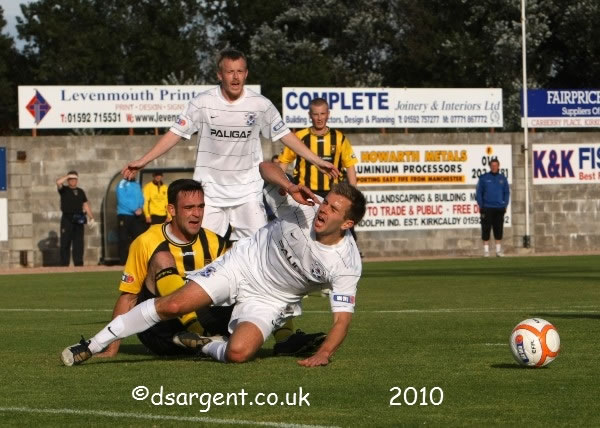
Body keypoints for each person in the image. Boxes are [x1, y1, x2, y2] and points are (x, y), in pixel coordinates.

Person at [61, 162, 366, 367]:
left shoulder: (346, 263)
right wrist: (288, 184)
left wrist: (325, 353)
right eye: (326, 201)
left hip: (270, 300)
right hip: (241, 265)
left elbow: (341, 320)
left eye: (333, 209)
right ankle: (92, 344)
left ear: (347, 223)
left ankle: (204, 344)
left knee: (239, 353)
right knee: (174, 304)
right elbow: (264, 167)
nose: (323, 209)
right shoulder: (303, 207)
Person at [121, 48, 339, 244]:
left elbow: (285, 135)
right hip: (210, 193)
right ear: (219, 75)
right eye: (230, 72)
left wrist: (317, 161)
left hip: (248, 193)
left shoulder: (260, 105)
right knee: (204, 255)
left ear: (246, 74)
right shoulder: (202, 103)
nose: (235, 77)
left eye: (240, 71)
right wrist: (143, 161)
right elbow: (175, 133)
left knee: (256, 253)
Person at [94, 179, 326, 359]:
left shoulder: (214, 241)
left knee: (264, 277)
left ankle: (285, 339)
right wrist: (111, 348)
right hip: (162, 331)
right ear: (172, 210)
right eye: (189, 208)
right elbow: (129, 297)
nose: (196, 214)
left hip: (206, 326)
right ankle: (198, 333)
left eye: (200, 207)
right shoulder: (146, 241)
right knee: (162, 259)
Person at [278, 97, 358, 198]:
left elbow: (350, 166)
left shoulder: (339, 138)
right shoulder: (299, 137)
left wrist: (354, 193)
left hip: (333, 193)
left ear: (328, 114)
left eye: (322, 114)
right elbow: (284, 161)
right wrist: (281, 185)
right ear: (310, 115)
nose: (319, 118)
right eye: (315, 114)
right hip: (304, 192)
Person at [56, 171, 95, 266]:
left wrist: (91, 217)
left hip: (79, 218)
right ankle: (64, 264)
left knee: (78, 242)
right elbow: (58, 182)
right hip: (67, 218)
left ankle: (78, 264)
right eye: (71, 179)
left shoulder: (81, 191)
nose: (73, 181)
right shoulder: (64, 190)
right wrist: (68, 176)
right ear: (68, 180)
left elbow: (85, 204)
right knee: (65, 242)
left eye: (75, 179)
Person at [475, 159, 510, 257]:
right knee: (486, 229)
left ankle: (498, 251)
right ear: (490, 166)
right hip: (487, 208)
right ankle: (486, 252)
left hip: (499, 208)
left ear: (499, 166)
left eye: (496, 165)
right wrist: (481, 205)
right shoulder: (483, 178)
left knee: (498, 229)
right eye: (492, 165)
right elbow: (478, 193)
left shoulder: (503, 178)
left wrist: (505, 204)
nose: (494, 167)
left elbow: (507, 192)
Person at [115, 176, 145, 265]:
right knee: (123, 238)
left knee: (138, 238)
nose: (133, 174)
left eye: (134, 172)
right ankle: (123, 261)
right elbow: (121, 199)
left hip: (136, 215)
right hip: (124, 214)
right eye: (131, 172)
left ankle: (137, 261)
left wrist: (140, 207)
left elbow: (141, 197)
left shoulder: (137, 183)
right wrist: (134, 209)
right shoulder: (122, 183)